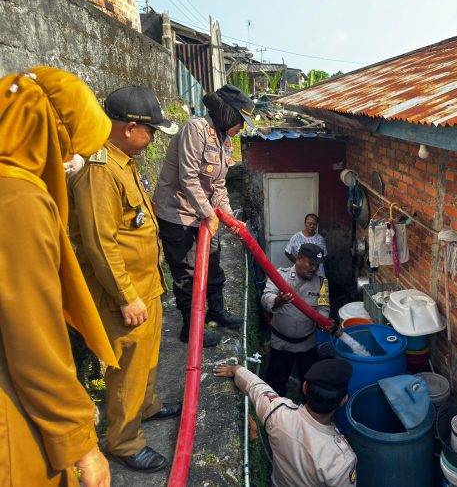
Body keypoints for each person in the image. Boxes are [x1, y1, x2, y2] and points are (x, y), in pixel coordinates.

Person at [0, 66, 118, 486]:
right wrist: (81, 445)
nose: (71, 161)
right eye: (68, 147)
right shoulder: (18, 200)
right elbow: (33, 342)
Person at [68, 85, 181, 473]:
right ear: (130, 127)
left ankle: (145, 407)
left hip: (145, 285)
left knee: (147, 358)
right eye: (150, 132)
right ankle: (124, 441)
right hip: (124, 293)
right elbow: (101, 244)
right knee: (127, 368)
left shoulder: (123, 163)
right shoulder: (100, 172)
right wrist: (126, 296)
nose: (152, 140)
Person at [153, 84, 255, 347]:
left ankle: (216, 311)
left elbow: (219, 186)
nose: (241, 128)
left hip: (205, 216)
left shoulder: (225, 140)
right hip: (179, 214)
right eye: (240, 122)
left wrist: (229, 218)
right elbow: (187, 177)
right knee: (188, 273)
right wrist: (210, 214)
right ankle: (190, 329)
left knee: (213, 264)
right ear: (229, 114)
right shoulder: (195, 129)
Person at [214, 358, 357, 486]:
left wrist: (236, 369)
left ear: (305, 387)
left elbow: (256, 387)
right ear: (343, 400)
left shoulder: (277, 414)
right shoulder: (341, 461)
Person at [263, 243, 329, 396]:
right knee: (275, 386)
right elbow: (266, 298)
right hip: (281, 345)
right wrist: (278, 301)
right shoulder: (279, 275)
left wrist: (322, 321)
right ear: (299, 258)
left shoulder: (321, 283)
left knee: (310, 388)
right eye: (311, 264)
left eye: (317, 265)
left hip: (307, 346)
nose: (314, 268)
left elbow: (324, 308)